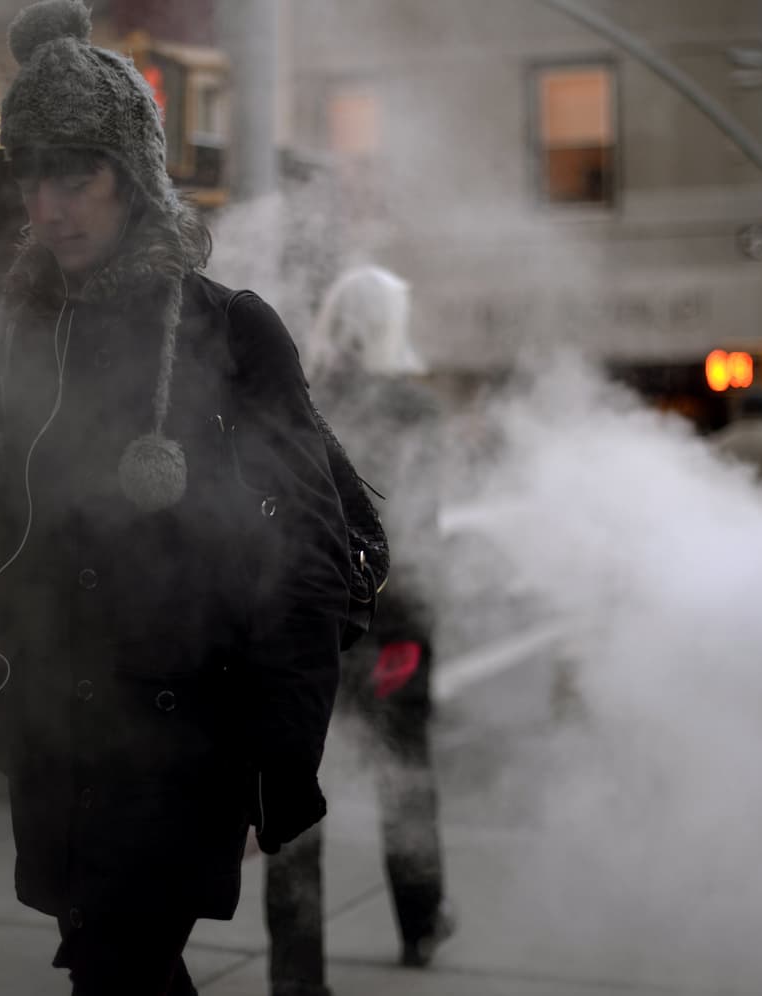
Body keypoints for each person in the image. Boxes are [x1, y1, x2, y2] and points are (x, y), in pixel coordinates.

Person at [0, 3, 350, 994]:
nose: (47, 204)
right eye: (29, 174)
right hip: (54, 750)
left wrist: (279, 765)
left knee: (121, 965)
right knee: (117, 974)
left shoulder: (233, 332)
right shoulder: (11, 345)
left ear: (134, 175)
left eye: (75, 173)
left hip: (179, 748)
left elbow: (306, 562)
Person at [263, 266, 455, 996]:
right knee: (404, 778)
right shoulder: (415, 409)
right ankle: (422, 922)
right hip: (390, 627)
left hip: (300, 626)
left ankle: (296, 974)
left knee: (294, 787)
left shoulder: (301, 400)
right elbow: (418, 532)